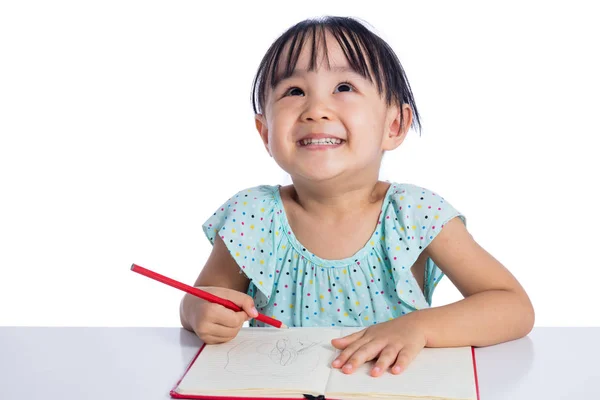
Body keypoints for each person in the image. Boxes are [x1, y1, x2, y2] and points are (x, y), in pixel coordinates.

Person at [180, 16, 535, 377]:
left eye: (345, 87)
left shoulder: (413, 214)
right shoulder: (253, 216)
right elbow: (199, 301)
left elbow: (513, 307)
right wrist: (200, 313)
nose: (316, 110)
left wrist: (420, 328)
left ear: (394, 125)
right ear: (265, 131)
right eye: (294, 91)